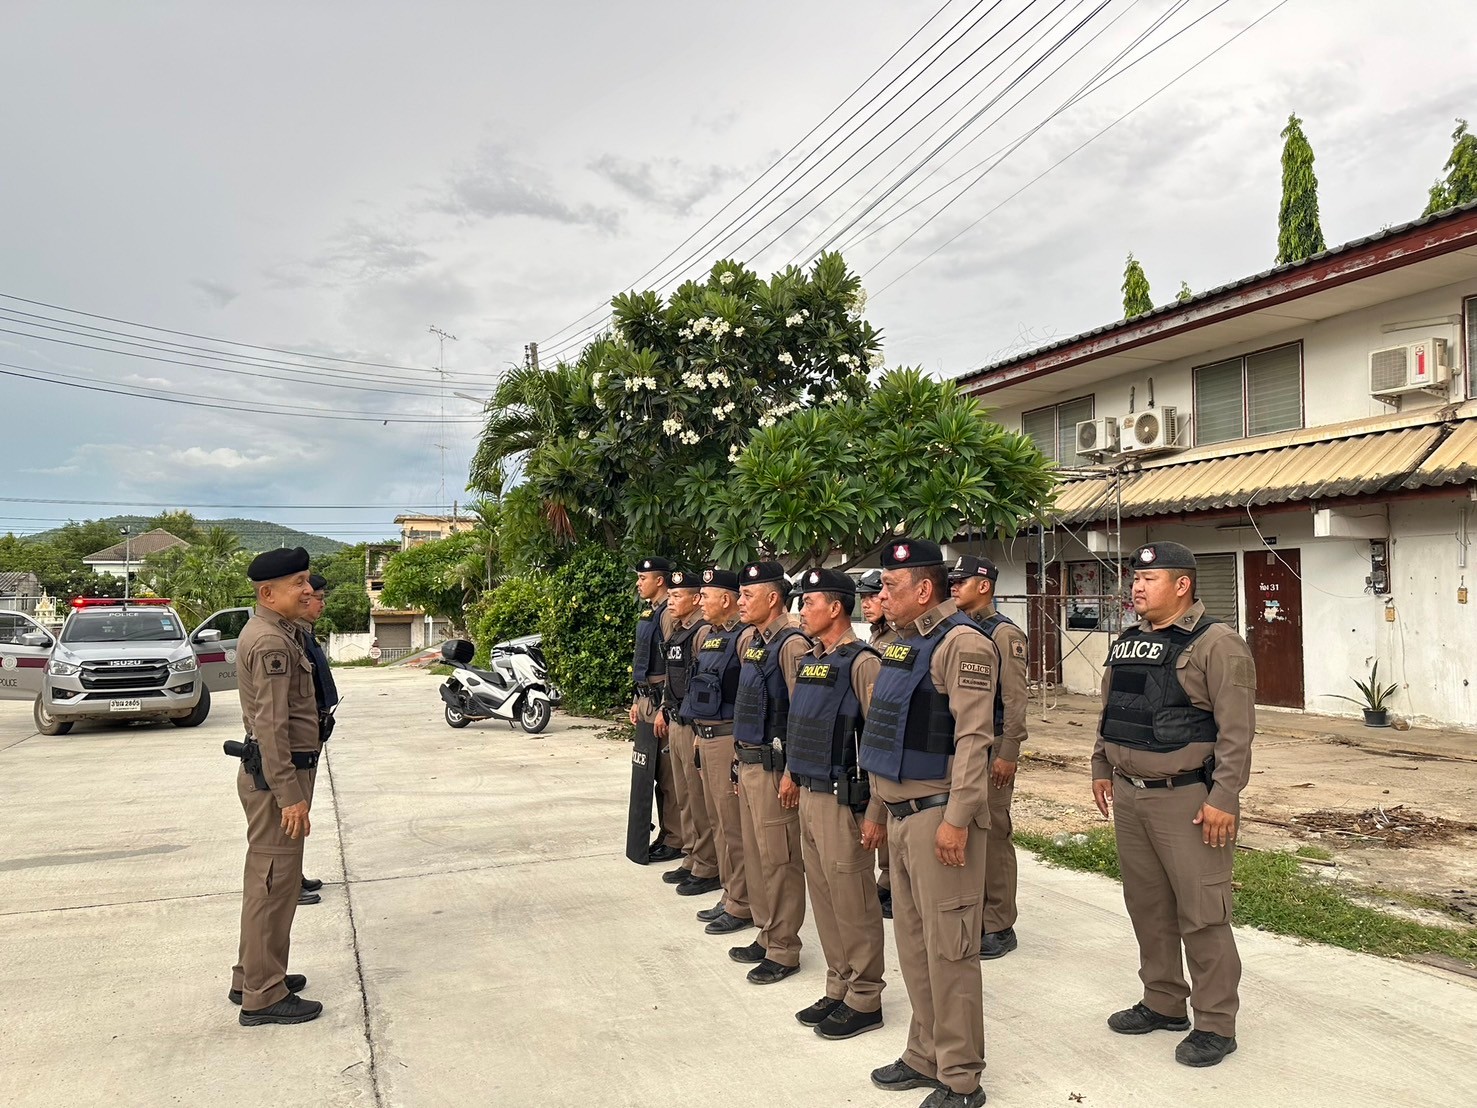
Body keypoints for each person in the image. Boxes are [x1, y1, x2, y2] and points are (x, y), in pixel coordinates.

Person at [1092, 541, 1255, 1069]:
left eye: (1149, 579)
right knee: (1148, 906)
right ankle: (1163, 1002)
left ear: (1182, 584)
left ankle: (1215, 1023)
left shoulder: (1218, 644)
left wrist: (1224, 796)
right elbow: (1112, 711)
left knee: (1202, 913)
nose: (1136, 587)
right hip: (1130, 796)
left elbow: (1237, 731)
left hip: (1187, 800)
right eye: (1135, 579)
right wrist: (1100, 766)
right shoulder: (1130, 641)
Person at [859, 538, 993, 1108]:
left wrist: (957, 820)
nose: (881, 595)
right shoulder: (900, 645)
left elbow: (975, 739)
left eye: (890, 586)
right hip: (899, 815)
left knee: (951, 952)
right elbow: (884, 732)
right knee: (914, 946)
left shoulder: (962, 644)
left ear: (923, 589)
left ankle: (960, 1078)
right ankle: (924, 1053)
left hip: (938, 815)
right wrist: (876, 809)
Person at [783, 567, 886, 1039]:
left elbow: (879, 741)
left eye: (809, 602)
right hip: (809, 793)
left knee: (853, 901)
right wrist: (791, 774)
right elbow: (799, 725)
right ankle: (839, 984)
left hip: (843, 802)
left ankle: (865, 997)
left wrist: (876, 811)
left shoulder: (862, 663)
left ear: (836, 607)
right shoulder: (811, 660)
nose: (802, 610)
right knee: (824, 898)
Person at [229, 547, 323, 1026]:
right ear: (268, 593)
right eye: (298, 583)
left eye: (307, 580)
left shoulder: (281, 631)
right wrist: (291, 796)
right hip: (277, 779)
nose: (308, 590)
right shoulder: (270, 642)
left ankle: (252, 975)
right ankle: (263, 995)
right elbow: (269, 726)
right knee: (273, 883)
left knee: (267, 881)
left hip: (279, 774)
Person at [730, 560, 809, 985]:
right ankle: (766, 932)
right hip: (749, 762)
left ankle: (783, 947)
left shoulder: (791, 645)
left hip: (775, 769)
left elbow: (801, 714)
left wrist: (792, 772)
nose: (740, 602)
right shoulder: (753, 641)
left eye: (748, 595)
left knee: (780, 859)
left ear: (773, 598)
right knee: (758, 855)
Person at [948, 555, 1027, 960]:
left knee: (994, 832)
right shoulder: (958, 630)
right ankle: (975, 912)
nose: (953, 587)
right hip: (962, 745)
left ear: (984, 586)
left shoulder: (1003, 633)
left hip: (993, 744)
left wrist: (1008, 751)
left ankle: (999, 923)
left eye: (961, 581)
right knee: (967, 831)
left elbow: (1015, 698)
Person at [680, 567, 753, 937]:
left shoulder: (744, 638)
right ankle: (730, 893)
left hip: (728, 739)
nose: (700, 602)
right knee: (719, 823)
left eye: (706, 596)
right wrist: (696, 735)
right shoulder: (708, 635)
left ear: (726, 600)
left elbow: (749, 697)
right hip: (705, 735)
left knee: (733, 827)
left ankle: (742, 902)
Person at [658, 568, 722, 897]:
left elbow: (703, 684)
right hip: (676, 720)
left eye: (677, 596)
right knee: (684, 797)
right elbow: (673, 676)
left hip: (693, 725)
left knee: (699, 800)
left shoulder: (702, 632)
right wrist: (663, 708)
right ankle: (692, 856)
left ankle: (708, 865)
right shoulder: (678, 630)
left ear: (696, 599)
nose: (670, 601)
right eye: (669, 596)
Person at [627, 556, 682, 865]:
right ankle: (667, 832)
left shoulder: (668, 614)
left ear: (659, 581)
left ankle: (676, 838)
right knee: (652, 772)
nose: (638, 583)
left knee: (669, 776)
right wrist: (638, 699)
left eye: (643, 578)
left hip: (662, 701)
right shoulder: (650, 611)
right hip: (647, 700)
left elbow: (675, 665)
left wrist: (665, 707)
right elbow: (644, 661)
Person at [294, 572, 341, 907]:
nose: (321, 604)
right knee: (290, 812)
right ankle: (286, 882)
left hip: (313, 730)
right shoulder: (292, 634)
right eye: (318, 598)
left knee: (302, 808)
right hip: (297, 739)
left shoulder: (305, 631)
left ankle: (293, 874)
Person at [856, 567, 894, 918]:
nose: (867, 604)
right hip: (872, 736)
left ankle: (894, 881)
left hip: (889, 735)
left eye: (872, 596)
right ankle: (888, 878)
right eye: (864, 598)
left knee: (888, 810)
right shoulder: (876, 636)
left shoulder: (898, 637)